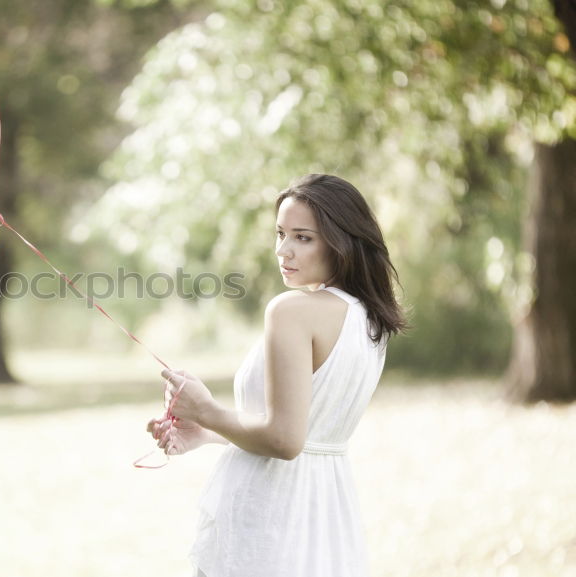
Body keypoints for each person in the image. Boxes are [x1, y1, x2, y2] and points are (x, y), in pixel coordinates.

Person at [147, 174, 409, 577]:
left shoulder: (292, 310)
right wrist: (208, 432)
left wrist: (205, 409)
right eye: (281, 234)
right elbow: (305, 429)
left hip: (273, 512)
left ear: (341, 241)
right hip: (325, 509)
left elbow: (286, 441)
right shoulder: (368, 319)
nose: (283, 251)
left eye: (303, 238)